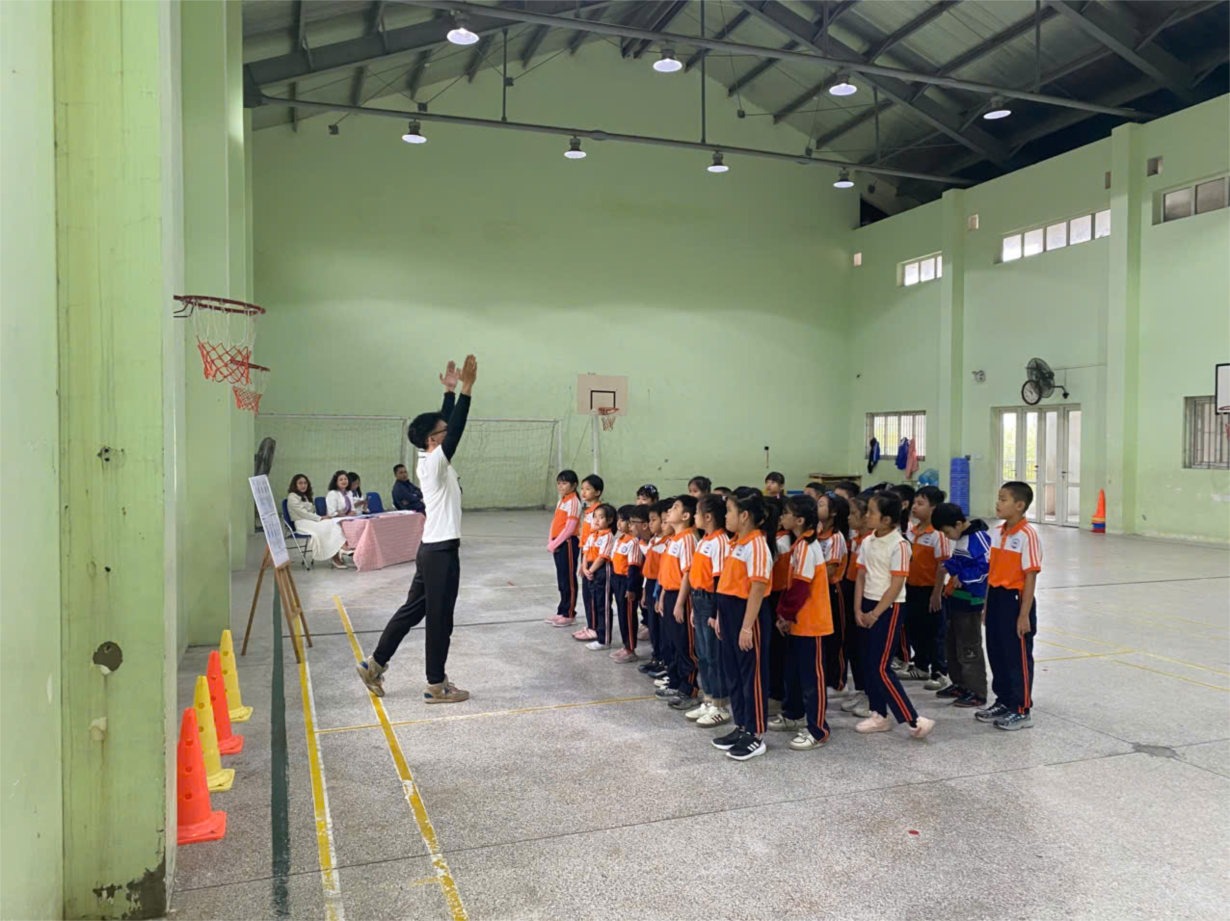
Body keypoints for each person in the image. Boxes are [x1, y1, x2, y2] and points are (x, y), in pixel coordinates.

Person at [357, 355, 477, 704]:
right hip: (440, 552)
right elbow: (455, 429)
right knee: (440, 620)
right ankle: (436, 685)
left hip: (430, 550)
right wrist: (467, 390)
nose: (447, 432)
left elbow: (446, 426)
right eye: (442, 431)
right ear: (432, 440)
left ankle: (374, 664)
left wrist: (449, 392)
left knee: (412, 611)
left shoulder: (429, 460)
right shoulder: (435, 462)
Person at [853, 492, 934, 740]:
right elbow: (861, 577)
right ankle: (879, 714)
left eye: (872, 512)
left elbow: (897, 584)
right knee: (868, 663)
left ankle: (914, 719)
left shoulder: (899, 545)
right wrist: (858, 609)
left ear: (887, 519)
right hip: (867, 604)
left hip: (889, 608)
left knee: (880, 667)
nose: (867, 515)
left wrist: (875, 613)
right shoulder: (868, 541)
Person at [711, 490, 778, 763]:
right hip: (729, 614)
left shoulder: (757, 545)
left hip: (748, 616)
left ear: (745, 515)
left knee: (752, 677)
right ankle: (741, 726)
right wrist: (720, 616)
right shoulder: (737, 542)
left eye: (729, 511)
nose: (725, 516)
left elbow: (757, 588)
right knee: (734, 675)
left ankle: (755, 733)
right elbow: (727, 583)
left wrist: (747, 627)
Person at [978, 482, 1042, 731]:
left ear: (1019, 505)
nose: (998, 503)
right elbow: (992, 572)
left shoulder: (1027, 535)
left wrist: (1024, 615)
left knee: (1017, 656)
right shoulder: (997, 532)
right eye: (998, 498)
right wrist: (987, 606)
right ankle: (1003, 700)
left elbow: (1030, 577)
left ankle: (1021, 709)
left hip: (1016, 601)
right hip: (996, 598)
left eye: (1003, 499)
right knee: (997, 652)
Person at [772, 494, 833, 751]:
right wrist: (785, 615)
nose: (782, 516)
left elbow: (800, 588)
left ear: (799, 520)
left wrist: (785, 614)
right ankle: (794, 713)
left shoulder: (808, 547)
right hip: (798, 622)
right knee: (794, 672)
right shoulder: (798, 545)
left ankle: (818, 729)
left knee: (812, 679)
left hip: (812, 623)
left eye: (787, 513)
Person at [932, 502, 991, 709]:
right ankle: (959, 684)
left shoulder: (979, 539)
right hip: (956, 599)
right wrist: (949, 566)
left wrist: (962, 576)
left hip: (971, 602)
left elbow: (985, 569)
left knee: (969, 648)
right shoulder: (961, 538)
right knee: (953, 645)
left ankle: (977, 692)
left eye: (947, 532)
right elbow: (961, 562)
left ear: (958, 523)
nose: (947, 537)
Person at [686, 494, 731, 728]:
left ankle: (720, 705)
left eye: (697, 512)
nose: (694, 516)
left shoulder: (720, 542)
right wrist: (695, 607)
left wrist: (715, 613)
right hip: (698, 599)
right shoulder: (704, 539)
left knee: (714, 656)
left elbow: (719, 581)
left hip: (710, 601)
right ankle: (709, 698)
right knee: (703, 654)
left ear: (709, 516)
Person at [903, 485, 952, 685]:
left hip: (930, 590)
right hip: (911, 588)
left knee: (934, 632)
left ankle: (939, 672)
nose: (914, 507)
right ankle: (921, 666)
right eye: (914, 503)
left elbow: (942, 565)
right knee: (915, 628)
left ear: (933, 508)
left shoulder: (938, 534)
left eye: (920, 503)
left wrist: (936, 593)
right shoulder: (912, 531)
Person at [657, 497, 699, 711]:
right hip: (670, 595)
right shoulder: (674, 539)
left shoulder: (688, 539)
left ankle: (689, 689)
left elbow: (688, 573)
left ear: (686, 515)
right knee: (672, 642)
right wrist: (663, 596)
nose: (669, 511)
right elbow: (669, 572)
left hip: (681, 597)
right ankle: (674, 682)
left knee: (685, 645)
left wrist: (680, 603)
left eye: (675, 508)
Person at [839, 495, 872, 718]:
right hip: (852, 592)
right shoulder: (858, 539)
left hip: (867, 595)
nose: (849, 518)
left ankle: (871, 695)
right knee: (854, 647)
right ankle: (861, 689)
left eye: (853, 514)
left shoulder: (871, 541)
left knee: (866, 648)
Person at [816, 493, 850, 692]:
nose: (817, 507)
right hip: (818, 588)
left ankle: (838, 682)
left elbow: (830, 570)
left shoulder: (836, 538)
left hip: (833, 589)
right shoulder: (817, 531)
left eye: (821, 504)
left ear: (833, 512)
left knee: (837, 636)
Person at [286, 474, 350, 570]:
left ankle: (340, 549)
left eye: (305, 483)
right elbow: (303, 513)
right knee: (326, 526)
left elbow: (311, 512)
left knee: (331, 523)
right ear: (295, 485)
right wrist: (321, 518)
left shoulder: (304, 496)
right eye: (300, 483)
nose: (303, 485)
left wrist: (321, 518)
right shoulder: (292, 496)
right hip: (301, 523)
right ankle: (340, 551)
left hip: (310, 521)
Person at [545, 469, 582, 628]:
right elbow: (555, 523)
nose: (560, 486)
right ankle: (562, 610)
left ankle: (570, 613)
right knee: (561, 579)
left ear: (574, 485)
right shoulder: (562, 501)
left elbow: (569, 528)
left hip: (567, 544)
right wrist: (550, 540)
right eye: (559, 483)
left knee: (568, 579)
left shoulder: (574, 502)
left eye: (564, 483)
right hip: (558, 543)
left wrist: (555, 543)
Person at [579, 503, 617, 651]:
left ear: (610, 520)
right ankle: (598, 633)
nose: (596, 520)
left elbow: (602, 557)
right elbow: (585, 552)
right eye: (595, 517)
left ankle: (604, 640)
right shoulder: (592, 535)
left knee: (603, 605)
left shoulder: (608, 536)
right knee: (594, 603)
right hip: (590, 569)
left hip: (601, 572)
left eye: (601, 517)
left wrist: (590, 570)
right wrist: (584, 568)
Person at [609, 505, 645, 663]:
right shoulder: (620, 540)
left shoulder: (634, 542)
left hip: (627, 582)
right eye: (618, 520)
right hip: (617, 580)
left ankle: (631, 649)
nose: (619, 523)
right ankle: (625, 646)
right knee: (622, 615)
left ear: (631, 524)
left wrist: (631, 588)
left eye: (623, 520)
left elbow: (633, 568)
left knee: (629, 616)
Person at [572, 475, 604, 642]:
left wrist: (589, 563)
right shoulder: (589, 511)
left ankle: (595, 629)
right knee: (587, 594)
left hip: (594, 558)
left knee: (593, 595)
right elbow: (586, 539)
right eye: (582, 489)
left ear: (597, 492)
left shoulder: (599, 513)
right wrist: (583, 562)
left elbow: (598, 538)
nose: (583, 492)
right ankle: (591, 625)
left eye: (588, 489)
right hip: (586, 555)